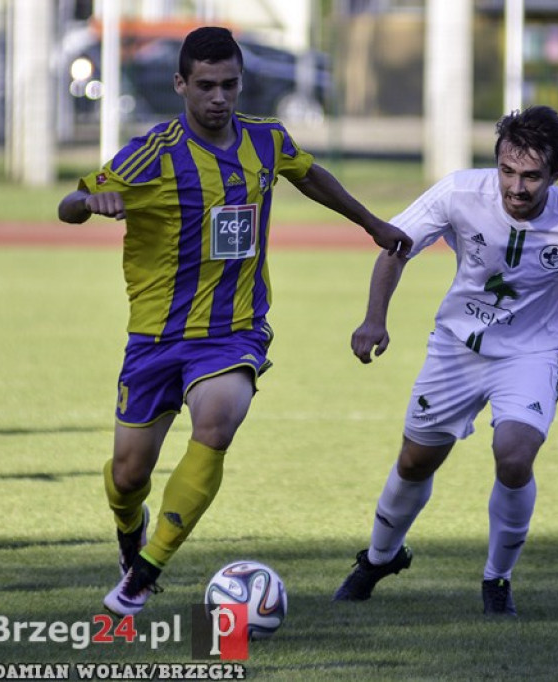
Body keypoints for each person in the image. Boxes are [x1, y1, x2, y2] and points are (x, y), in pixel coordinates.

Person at [57, 26, 411, 616]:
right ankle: (131, 534)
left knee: (217, 421)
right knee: (127, 476)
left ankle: (144, 574)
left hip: (233, 331)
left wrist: (372, 224)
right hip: (156, 336)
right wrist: (91, 203)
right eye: (206, 86)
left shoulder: (266, 140)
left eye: (229, 84)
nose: (219, 97)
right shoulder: (153, 153)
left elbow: (309, 174)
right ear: (181, 84)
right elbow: (69, 204)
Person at [331, 105, 558, 615]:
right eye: (507, 171)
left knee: (514, 455)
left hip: (533, 354)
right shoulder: (460, 192)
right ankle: (379, 558)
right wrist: (374, 318)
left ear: (556, 173)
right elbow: (395, 248)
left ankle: (497, 580)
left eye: (532, 176)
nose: (516, 187)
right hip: (456, 346)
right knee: (415, 460)